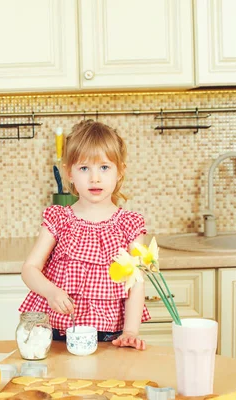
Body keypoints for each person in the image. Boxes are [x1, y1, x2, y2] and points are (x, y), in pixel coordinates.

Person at [19, 120, 149, 350]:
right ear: (69, 173)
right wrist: (51, 291)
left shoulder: (130, 224)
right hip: (59, 330)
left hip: (112, 334)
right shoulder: (58, 219)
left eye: (104, 167)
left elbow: (136, 283)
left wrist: (130, 331)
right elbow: (29, 269)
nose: (94, 178)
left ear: (120, 172)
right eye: (84, 168)